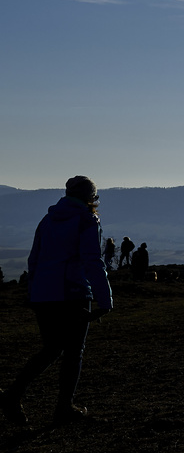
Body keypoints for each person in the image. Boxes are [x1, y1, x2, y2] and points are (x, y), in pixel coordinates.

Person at [2, 176, 115, 428]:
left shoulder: (48, 219)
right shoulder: (87, 220)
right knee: (73, 352)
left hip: (44, 294)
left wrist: (33, 292)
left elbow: (34, 258)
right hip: (72, 293)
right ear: (91, 197)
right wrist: (105, 299)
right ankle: (62, 406)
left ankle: (13, 395)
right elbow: (92, 261)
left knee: (52, 348)